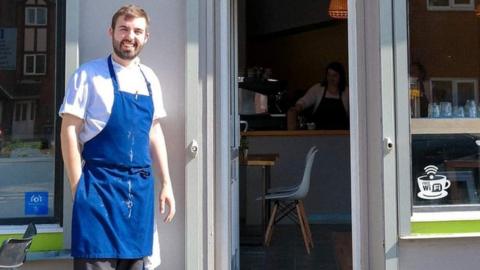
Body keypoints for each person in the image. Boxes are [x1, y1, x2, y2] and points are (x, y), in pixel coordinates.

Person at [59, 5, 175, 270]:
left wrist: (166, 183)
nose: (129, 36)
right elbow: (68, 129)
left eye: (137, 31)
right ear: (111, 32)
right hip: (98, 192)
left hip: (139, 195)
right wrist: (78, 188)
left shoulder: (150, 79)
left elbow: (154, 131)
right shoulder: (88, 75)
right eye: (123, 28)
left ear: (146, 37)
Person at [287, 62, 349, 130]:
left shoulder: (347, 92)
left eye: (334, 75)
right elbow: (304, 101)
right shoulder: (318, 89)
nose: (331, 78)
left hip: (341, 136)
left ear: (341, 76)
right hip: (319, 135)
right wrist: (296, 109)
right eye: (329, 75)